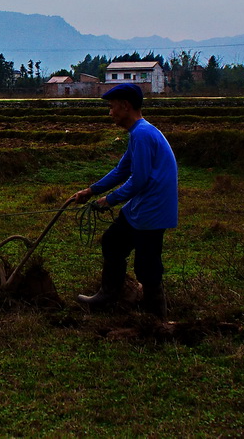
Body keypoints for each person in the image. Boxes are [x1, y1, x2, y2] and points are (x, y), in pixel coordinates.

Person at [71, 82, 178, 318]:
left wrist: (109, 200)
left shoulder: (142, 134)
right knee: (112, 242)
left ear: (126, 106)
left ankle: (155, 317)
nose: (110, 113)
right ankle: (108, 295)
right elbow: (122, 170)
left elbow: (138, 179)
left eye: (112, 107)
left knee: (147, 265)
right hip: (141, 207)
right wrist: (91, 191)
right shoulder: (139, 133)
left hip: (153, 210)